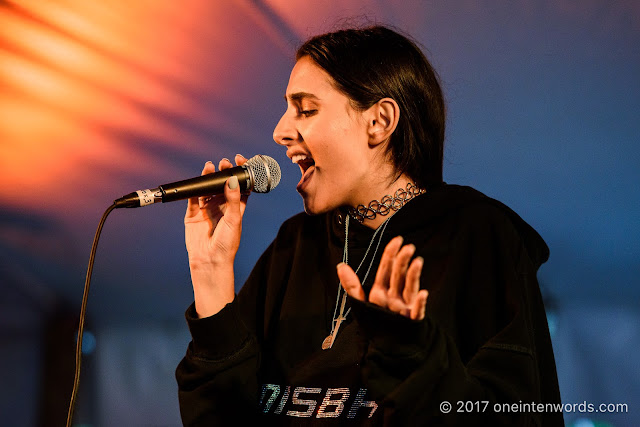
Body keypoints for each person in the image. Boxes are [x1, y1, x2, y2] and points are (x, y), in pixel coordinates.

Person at [175, 25, 563, 425]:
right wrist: (211, 273)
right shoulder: (294, 246)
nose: (280, 132)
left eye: (306, 109)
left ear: (379, 121)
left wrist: (411, 352)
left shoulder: (478, 234)